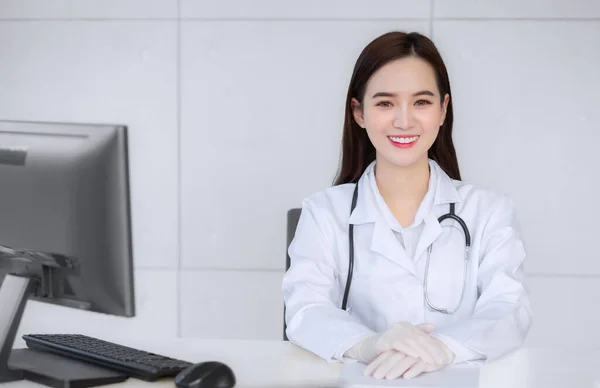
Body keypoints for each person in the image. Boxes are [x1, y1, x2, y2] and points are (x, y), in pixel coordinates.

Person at [281, 31, 532, 381]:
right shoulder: (324, 212)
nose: (403, 120)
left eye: (421, 102)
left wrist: (445, 349)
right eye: (385, 103)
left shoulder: (489, 211)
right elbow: (305, 311)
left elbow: (509, 309)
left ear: (443, 110)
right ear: (359, 112)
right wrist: (370, 344)